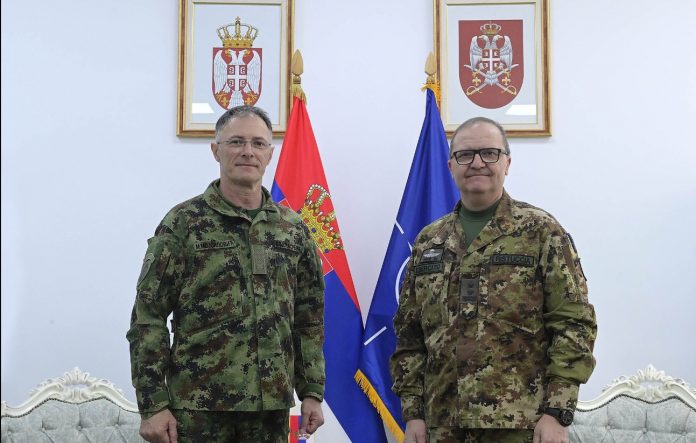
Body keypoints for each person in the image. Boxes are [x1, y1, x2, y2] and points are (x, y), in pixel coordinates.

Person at [390, 117, 597, 443]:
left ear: (507, 163)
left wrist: (557, 412)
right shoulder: (429, 242)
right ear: (450, 166)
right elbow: (409, 335)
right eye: (465, 154)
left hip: (521, 425)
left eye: (489, 153)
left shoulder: (541, 232)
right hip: (441, 424)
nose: (477, 163)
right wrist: (413, 413)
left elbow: (574, 324)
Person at [127, 105, 326, 443]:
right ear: (216, 150)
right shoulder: (183, 224)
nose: (248, 151)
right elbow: (148, 317)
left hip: (270, 411)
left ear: (270, 154)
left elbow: (309, 318)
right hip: (198, 409)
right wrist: (153, 404)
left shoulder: (292, 229)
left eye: (258, 143)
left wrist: (311, 391)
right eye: (236, 141)